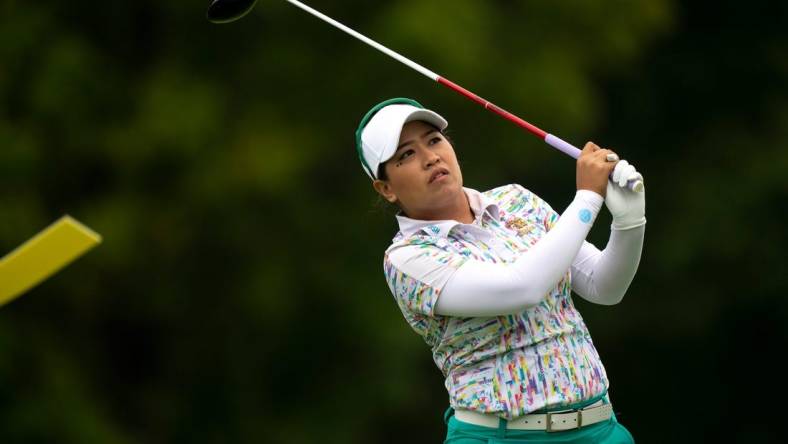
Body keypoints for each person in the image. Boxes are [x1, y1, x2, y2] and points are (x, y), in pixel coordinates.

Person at [356, 97, 645, 443]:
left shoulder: (516, 200)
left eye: (433, 140)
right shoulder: (407, 258)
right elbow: (521, 289)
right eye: (406, 155)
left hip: (600, 429)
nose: (430, 157)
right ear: (386, 188)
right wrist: (587, 199)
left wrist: (630, 220)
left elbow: (604, 286)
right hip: (500, 437)